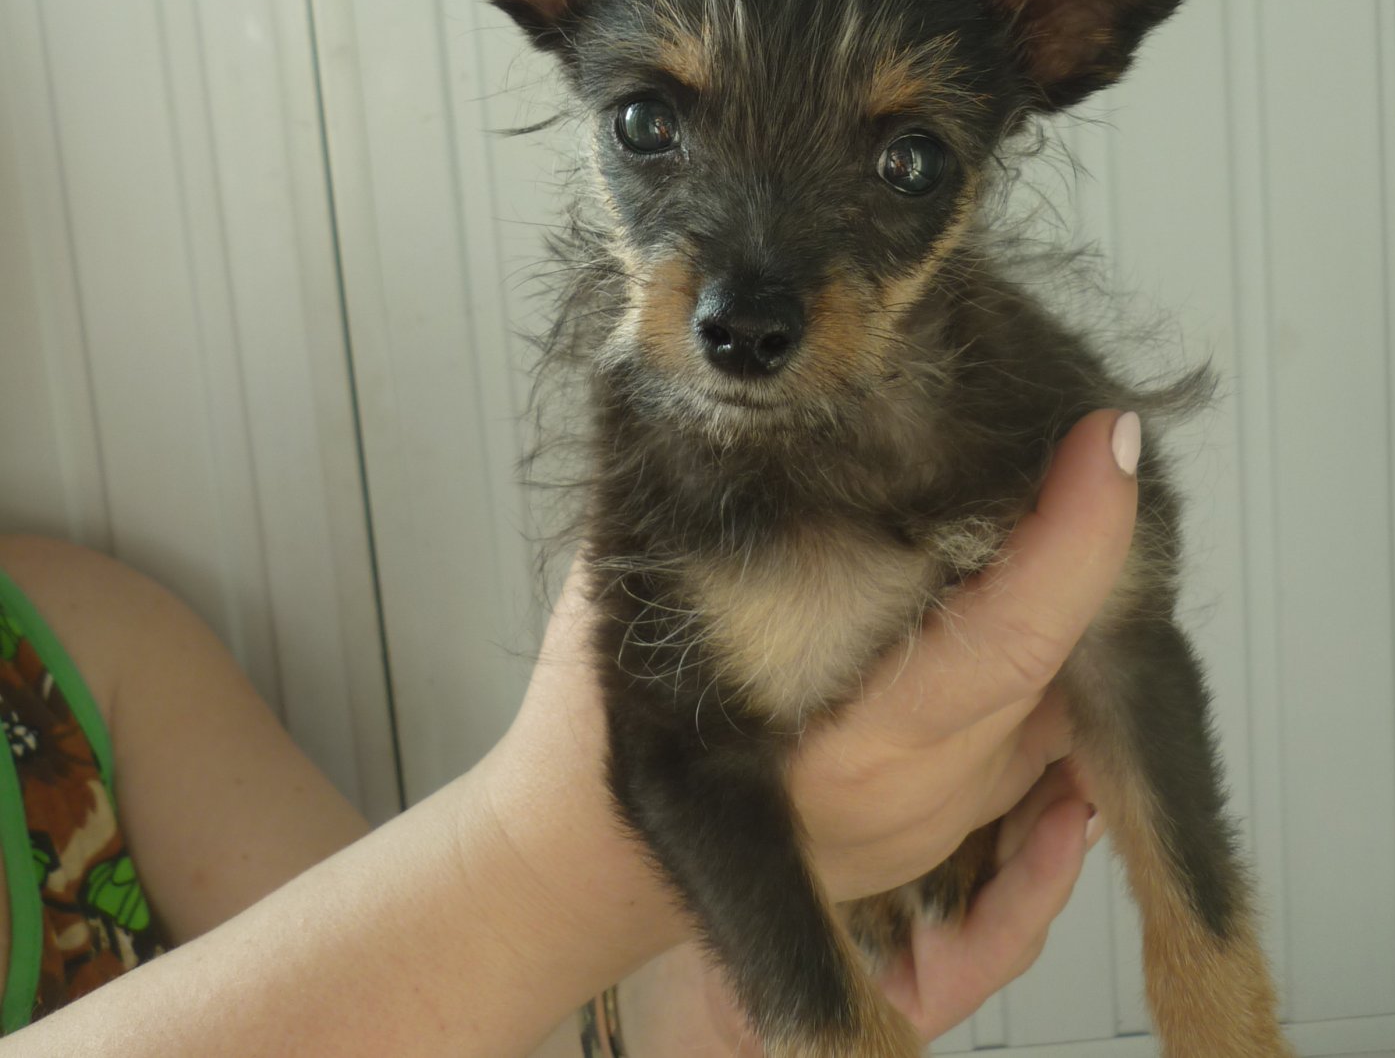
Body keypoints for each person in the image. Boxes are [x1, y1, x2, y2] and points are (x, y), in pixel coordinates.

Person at [0, 407, 1139, 1054]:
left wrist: (669, 1018)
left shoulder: (79, 649)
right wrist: (563, 864)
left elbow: (432, 1012)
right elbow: (491, 924)